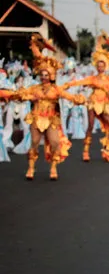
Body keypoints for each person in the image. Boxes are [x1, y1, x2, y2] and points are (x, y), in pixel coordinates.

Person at [7, 35, 85, 179]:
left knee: (55, 142)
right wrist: (20, 95)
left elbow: (69, 96)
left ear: (51, 76)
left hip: (51, 118)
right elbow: (20, 94)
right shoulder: (34, 88)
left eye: (46, 74)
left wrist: (77, 99)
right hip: (37, 118)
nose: (44, 77)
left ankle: (53, 168)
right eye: (42, 74)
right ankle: (31, 168)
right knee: (35, 142)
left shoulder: (56, 89)